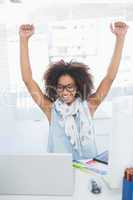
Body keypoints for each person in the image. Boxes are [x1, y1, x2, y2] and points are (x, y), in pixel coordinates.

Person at [19, 21, 128, 160]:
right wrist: (24, 39)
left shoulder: (89, 106)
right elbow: (27, 80)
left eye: (69, 86)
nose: (65, 92)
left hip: (89, 168)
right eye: (60, 87)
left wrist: (120, 38)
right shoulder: (50, 109)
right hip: (60, 171)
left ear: (77, 86)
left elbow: (110, 78)